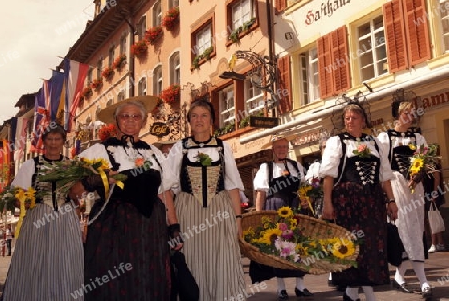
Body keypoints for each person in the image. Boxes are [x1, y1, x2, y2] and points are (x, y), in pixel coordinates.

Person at [69, 95, 177, 300]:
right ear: (116, 121)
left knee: (148, 276)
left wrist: (173, 226)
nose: (130, 120)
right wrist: (96, 181)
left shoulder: (153, 152)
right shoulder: (100, 150)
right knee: (114, 279)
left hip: (150, 228)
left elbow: (164, 192)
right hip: (113, 227)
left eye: (136, 116)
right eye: (125, 116)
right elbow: (73, 191)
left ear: (143, 122)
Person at [164, 99, 246, 300]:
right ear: (189, 121)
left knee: (223, 259)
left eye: (204, 115)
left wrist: (238, 220)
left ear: (212, 121)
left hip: (220, 209)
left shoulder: (223, 147)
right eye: (194, 116)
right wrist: (171, 222)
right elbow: (166, 188)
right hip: (188, 210)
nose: (198, 120)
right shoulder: (179, 148)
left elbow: (233, 185)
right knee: (192, 260)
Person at [320, 102, 398, 301]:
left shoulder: (374, 143)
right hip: (347, 202)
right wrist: (327, 203)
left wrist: (391, 201)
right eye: (347, 118)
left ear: (363, 121)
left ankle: (352, 294)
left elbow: (384, 176)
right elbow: (328, 176)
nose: (349, 121)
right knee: (354, 247)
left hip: (373, 202)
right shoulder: (337, 142)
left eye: (354, 118)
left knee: (372, 246)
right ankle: (365, 294)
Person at [2, 123, 84, 300]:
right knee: (34, 259)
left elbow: (78, 195)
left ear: (63, 141)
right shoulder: (30, 165)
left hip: (66, 217)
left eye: (57, 139)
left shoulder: (73, 166)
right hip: (38, 217)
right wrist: (22, 200)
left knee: (65, 259)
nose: (53, 143)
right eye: (50, 139)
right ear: (44, 141)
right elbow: (16, 195)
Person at [378, 101, 432, 298]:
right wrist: (386, 198)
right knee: (404, 230)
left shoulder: (418, 137)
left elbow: (425, 161)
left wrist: (418, 175)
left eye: (411, 113)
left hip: (415, 189)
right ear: (398, 115)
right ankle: (423, 281)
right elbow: (381, 169)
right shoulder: (385, 137)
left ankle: (400, 277)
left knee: (416, 231)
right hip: (396, 186)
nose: (409, 117)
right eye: (405, 113)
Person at [253, 136, 313, 300]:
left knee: (299, 247)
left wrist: (306, 201)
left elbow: (304, 189)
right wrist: (260, 216)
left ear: (288, 149)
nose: (282, 149)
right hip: (275, 209)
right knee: (279, 248)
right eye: (278, 147)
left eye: (284, 147)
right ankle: (281, 288)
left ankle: (300, 286)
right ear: (273, 149)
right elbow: (261, 194)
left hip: (295, 209)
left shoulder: (297, 166)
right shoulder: (266, 167)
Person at [424, 155, 445, 252]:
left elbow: (437, 178)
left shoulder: (432, 165)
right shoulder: (422, 164)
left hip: (432, 194)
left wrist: (434, 193)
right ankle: (440, 243)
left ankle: (434, 243)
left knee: (432, 218)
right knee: (434, 218)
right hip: (428, 194)